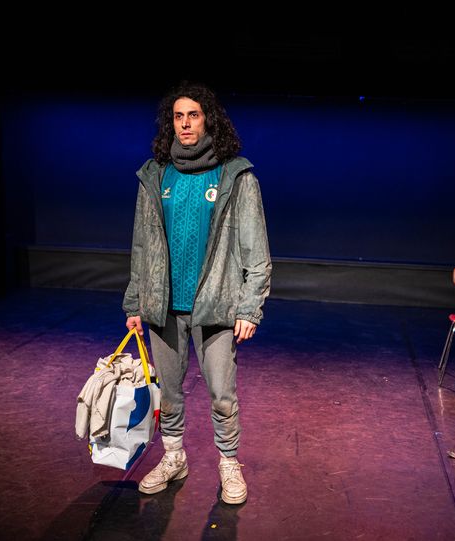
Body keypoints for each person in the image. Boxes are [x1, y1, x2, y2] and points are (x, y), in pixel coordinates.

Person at [123, 81, 271, 505]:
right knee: (169, 394)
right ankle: (174, 457)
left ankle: (229, 462)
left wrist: (250, 308)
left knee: (222, 395)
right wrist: (135, 301)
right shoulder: (155, 176)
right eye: (178, 116)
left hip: (217, 306)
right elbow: (141, 247)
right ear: (170, 123)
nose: (185, 124)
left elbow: (257, 251)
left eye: (193, 115)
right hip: (164, 305)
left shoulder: (235, 176)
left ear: (209, 121)